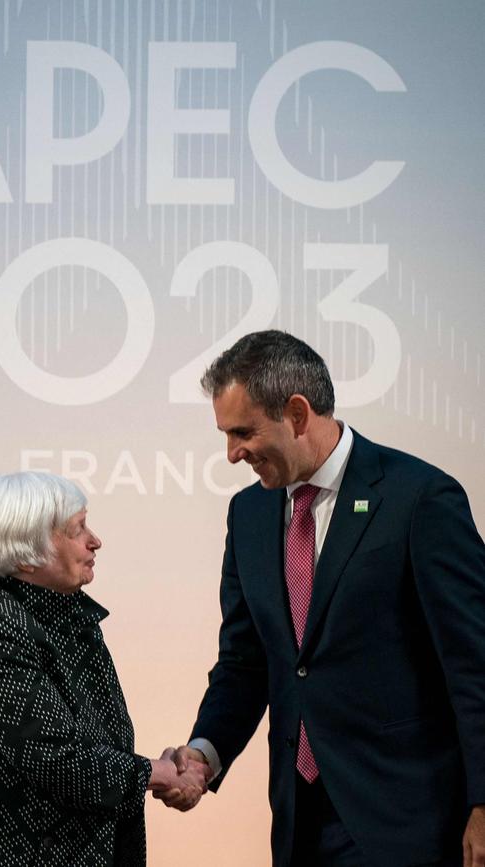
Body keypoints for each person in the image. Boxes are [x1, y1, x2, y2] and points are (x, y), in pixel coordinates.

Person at [158, 331, 485, 867]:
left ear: (297, 412)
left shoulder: (419, 499)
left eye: (243, 432)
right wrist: (204, 754)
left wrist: (483, 802)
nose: (232, 453)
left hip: (408, 820)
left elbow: (474, 664)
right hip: (300, 821)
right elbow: (245, 663)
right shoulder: (249, 516)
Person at [0, 471, 208, 867]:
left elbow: (98, 745)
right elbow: (55, 759)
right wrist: (159, 773)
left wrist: (166, 768)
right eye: (78, 529)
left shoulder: (66, 617)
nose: (95, 540)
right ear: (25, 553)